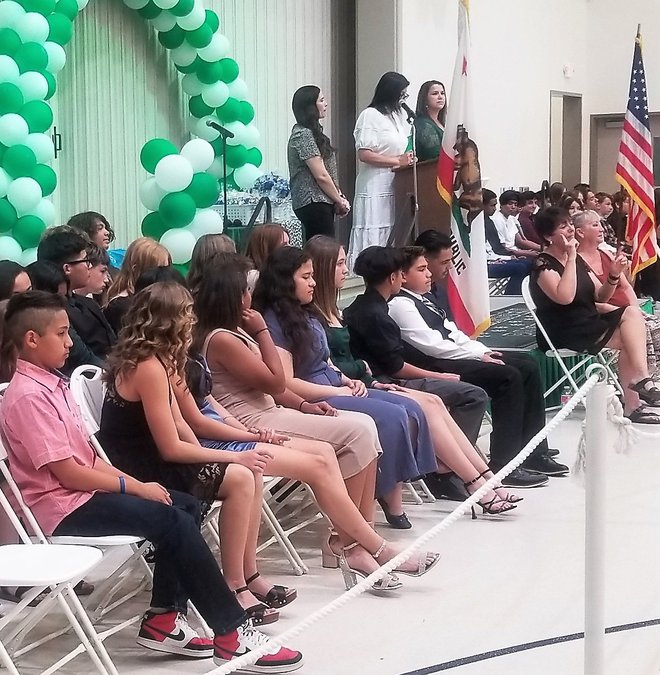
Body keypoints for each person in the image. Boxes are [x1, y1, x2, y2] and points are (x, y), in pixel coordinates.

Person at [0, 291, 303, 671]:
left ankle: (164, 617)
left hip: (82, 492)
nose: (69, 343)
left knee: (184, 504)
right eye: (61, 334)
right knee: (173, 519)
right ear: (31, 339)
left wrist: (131, 483)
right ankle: (231, 631)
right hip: (60, 507)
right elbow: (69, 474)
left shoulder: (51, 385)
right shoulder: (28, 396)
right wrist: (137, 487)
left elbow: (90, 459)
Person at [192, 255, 438, 587]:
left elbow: (276, 390)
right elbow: (276, 381)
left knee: (363, 429)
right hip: (251, 419)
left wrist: (303, 404)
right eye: (247, 290)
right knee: (355, 433)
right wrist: (263, 331)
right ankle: (363, 545)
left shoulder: (235, 330)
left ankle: (354, 542)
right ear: (235, 295)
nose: (252, 295)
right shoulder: (223, 338)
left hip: (270, 411)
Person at [99, 281, 294, 625]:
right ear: (170, 321)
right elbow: (170, 447)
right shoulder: (147, 367)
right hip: (140, 466)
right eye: (187, 313)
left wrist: (221, 452)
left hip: (155, 456)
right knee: (241, 476)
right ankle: (234, 585)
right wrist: (232, 456)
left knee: (249, 471)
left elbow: (183, 426)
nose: (192, 320)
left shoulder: (161, 360)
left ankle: (247, 575)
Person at [305, 235, 522, 505]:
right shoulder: (368, 313)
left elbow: (444, 337)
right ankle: (460, 476)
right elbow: (374, 364)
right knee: (453, 398)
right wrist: (368, 372)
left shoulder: (346, 310)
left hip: (371, 380)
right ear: (395, 277)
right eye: (339, 264)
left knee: (440, 401)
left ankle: (481, 477)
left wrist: (478, 353)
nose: (345, 270)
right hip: (368, 383)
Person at [253, 245, 440, 527]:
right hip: (314, 395)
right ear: (284, 280)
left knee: (410, 407)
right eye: (306, 277)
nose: (313, 283)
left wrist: (346, 379)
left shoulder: (307, 313)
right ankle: (382, 502)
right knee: (391, 417)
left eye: (313, 276)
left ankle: (386, 496)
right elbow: (287, 382)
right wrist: (337, 391)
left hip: (334, 385)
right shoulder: (274, 322)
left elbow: (326, 361)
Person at [389, 243, 567, 481]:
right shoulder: (400, 305)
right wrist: (477, 357)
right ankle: (504, 463)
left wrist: (484, 351)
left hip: (452, 356)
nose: (429, 274)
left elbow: (454, 333)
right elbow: (432, 345)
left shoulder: (425, 299)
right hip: (434, 365)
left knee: (527, 365)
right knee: (507, 376)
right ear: (402, 276)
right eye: (421, 270)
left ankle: (533, 450)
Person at [343, 246, 488, 445]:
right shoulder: (377, 315)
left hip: (382, 375)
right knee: (474, 396)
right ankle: (447, 460)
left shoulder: (360, 306)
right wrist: (440, 376)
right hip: (387, 381)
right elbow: (396, 368)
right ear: (393, 278)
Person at [530, 206, 660, 408]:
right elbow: (565, 297)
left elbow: (601, 295)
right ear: (548, 236)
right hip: (564, 329)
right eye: (563, 226)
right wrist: (571, 258)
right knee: (628, 339)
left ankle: (641, 382)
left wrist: (614, 274)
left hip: (589, 321)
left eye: (570, 223)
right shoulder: (543, 264)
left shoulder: (577, 260)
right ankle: (634, 401)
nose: (570, 229)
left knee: (632, 313)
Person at [574, 209, 660, 422]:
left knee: (646, 324)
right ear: (580, 232)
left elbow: (627, 287)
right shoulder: (576, 262)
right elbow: (594, 301)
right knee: (638, 331)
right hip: (604, 316)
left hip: (627, 314)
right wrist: (625, 312)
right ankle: (643, 386)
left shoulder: (606, 254)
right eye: (595, 224)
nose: (601, 228)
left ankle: (638, 396)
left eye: (600, 224)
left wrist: (636, 309)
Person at [347, 72, 415, 270]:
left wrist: (407, 159)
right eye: (402, 94)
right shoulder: (369, 115)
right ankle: (369, 271)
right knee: (375, 227)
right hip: (375, 183)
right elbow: (364, 154)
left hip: (396, 182)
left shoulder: (397, 117)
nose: (403, 98)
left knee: (392, 230)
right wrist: (397, 160)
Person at [37, 230, 116, 359]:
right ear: (67, 268)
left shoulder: (88, 303)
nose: (89, 266)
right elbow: (81, 357)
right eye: (86, 261)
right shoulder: (52, 311)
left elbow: (114, 343)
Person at [288, 86, 350, 241]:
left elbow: (328, 172)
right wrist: (340, 200)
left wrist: (338, 196)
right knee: (323, 249)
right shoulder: (303, 134)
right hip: (313, 200)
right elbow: (321, 175)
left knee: (323, 247)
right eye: (321, 100)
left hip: (321, 200)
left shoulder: (312, 133)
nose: (326, 104)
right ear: (310, 107)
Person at [104, 237, 171, 334]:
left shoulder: (151, 299)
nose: (164, 275)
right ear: (136, 270)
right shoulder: (122, 306)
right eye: (158, 269)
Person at [492, 190, 539, 258]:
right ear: (502, 204)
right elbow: (502, 248)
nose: (513, 207)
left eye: (515, 204)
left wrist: (540, 248)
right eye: (510, 204)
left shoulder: (511, 218)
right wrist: (525, 253)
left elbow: (520, 241)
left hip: (516, 251)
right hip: (506, 254)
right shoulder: (497, 219)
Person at [244, 223, 290, 292]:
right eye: (284, 245)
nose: (290, 248)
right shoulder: (255, 278)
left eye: (289, 243)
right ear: (268, 249)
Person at [413, 80, 446, 161]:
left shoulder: (443, 122)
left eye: (442, 93)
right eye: (435, 93)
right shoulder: (423, 124)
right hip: (431, 168)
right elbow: (434, 154)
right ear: (425, 99)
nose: (440, 97)